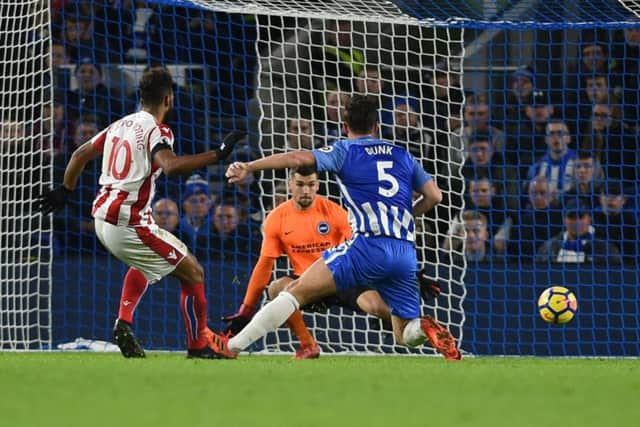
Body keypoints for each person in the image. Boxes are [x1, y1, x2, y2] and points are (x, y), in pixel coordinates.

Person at [222, 94, 461, 360]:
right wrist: (407, 216)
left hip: (368, 247)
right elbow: (435, 196)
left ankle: (231, 346)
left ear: (346, 128)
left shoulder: (344, 151)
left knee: (292, 292)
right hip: (405, 252)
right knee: (404, 333)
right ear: (376, 127)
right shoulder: (402, 155)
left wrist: (250, 165)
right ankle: (424, 327)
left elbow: (299, 159)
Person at [36, 67, 243, 359]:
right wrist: (218, 155)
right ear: (168, 100)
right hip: (127, 223)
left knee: (146, 262)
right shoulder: (158, 131)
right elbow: (170, 165)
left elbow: (79, 154)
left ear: (141, 96)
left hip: (102, 220)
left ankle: (125, 321)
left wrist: (65, 190)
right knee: (194, 272)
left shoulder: (119, 125)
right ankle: (199, 346)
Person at [221, 164, 391, 359]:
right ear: (290, 185)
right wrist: (246, 310)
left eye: (311, 185)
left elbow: (361, 249)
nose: (305, 191)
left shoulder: (334, 212)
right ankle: (308, 345)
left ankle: (418, 324)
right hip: (306, 285)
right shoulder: (276, 218)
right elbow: (264, 266)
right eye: (300, 184)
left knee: (375, 306)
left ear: (318, 185)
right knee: (276, 288)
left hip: (339, 278)